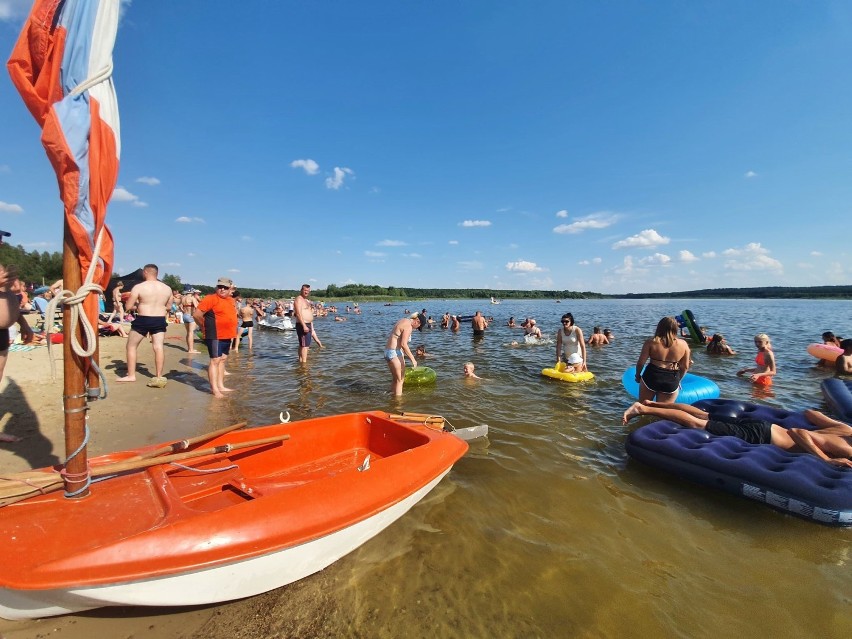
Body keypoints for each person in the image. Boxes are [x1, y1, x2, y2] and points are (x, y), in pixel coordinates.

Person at [622, 401, 852, 468]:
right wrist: (827, 459)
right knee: (698, 425)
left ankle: (652, 402)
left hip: (765, 426)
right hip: (763, 436)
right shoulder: (847, 446)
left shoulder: (847, 430)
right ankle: (643, 409)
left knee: (705, 416)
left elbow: (811, 413)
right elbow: (799, 431)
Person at [116, 264, 173, 388]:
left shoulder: (139, 287)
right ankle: (158, 376)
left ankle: (131, 375)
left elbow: (128, 307)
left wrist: (138, 304)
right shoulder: (167, 288)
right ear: (157, 273)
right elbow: (168, 307)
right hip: (159, 319)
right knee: (158, 347)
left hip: (143, 319)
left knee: (131, 346)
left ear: (146, 272)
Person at [193, 277, 239, 398]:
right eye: (220, 287)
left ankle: (221, 385)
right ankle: (214, 389)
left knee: (223, 360)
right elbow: (197, 315)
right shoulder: (210, 299)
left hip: (228, 335)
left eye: (225, 287)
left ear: (230, 289)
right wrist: (203, 327)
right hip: (215, 335)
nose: (222, 289)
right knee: (215, 361)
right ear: (216, 287)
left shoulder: (230, 300)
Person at [634, 316, 691, 403]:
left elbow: (640, 363)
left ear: (659, 327)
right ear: (675, 328)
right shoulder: (683, 344)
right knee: (662, 412)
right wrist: (678, 381)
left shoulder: (651, 342)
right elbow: (685, 367)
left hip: (651, 376)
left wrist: (638, 376)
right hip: (671, 379)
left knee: (642, 408)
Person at [385, 313, 420, 396]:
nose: (416, 329)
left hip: (388, 351)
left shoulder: (403, 320)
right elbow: (404, 344)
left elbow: (398, 340)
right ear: (417, 321)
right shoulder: (408, 326)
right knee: (400, 380)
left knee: (396, 379)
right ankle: (398, 404)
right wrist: (413, 360)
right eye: (418, 327)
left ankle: (392, 397)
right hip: (394, 352)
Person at [294, 283, 323, 362]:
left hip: (308, 324)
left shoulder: (305, 300)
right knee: (305, 346)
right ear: (301, 290)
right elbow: (298, 313)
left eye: (308, 291)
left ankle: (300, 361)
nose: (306, 292)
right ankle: (304, 365)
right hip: (303, 324)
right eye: (305, 290)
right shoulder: (299, 299)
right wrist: (304, 326)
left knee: (303, 345)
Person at [180, 288, 200, 353]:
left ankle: (189, 348)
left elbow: (180, 306)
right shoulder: (192, 298)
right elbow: (196, 307)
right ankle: (191, 350)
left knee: (188, 332)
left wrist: (183, 312)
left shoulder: (183, 298)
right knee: (191, 333)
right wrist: (194, 314)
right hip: (190, 315)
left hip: (185, 315)